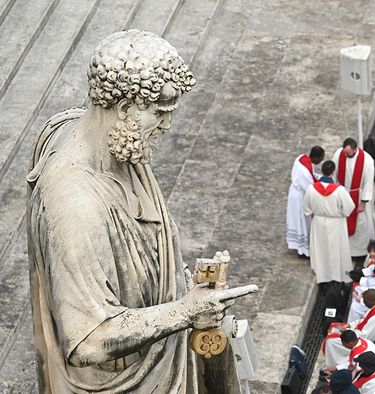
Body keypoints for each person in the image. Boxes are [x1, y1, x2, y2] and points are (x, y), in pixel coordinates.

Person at [25, 30, 262, 392]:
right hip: (124, 379)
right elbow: (86, 340)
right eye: (160, 112)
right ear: (123, 108)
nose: (167, 124)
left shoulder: (109, 139)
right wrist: (184, 311)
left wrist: (186, 285)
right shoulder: (75, 204)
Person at [304, 161, 355, 283]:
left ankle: (322, 274)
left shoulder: (311, 188)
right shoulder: (340, 190)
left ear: (322, 171)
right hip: (336, 223)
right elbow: (350, 207)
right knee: (336, 250)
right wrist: (342, 214)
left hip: (318, 222)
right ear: (333, 172)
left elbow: (306, 208)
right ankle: (338, 276)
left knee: (320, 249)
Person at [333, 138, 375, 257]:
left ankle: (359, 252)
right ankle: (343, 248)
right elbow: (334, 174)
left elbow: (368, 182)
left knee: (361, 223)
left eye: (348, 153)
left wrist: (363, 202)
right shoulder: (338, 154)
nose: (345, 155)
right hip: (342, 193)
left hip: (358, 195)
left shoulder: (367, 160)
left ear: (355, 149)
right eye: (344, 153)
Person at [288, 145, 324, 256]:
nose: (322, 161)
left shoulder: (302, 158)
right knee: (302, 221)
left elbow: (312, 176)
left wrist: (320, 178)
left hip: (296, 192)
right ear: (316, 158)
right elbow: (310, 189)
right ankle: (303, 250)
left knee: (301, 221)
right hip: (299, 197)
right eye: (321, 158)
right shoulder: (304, 171)